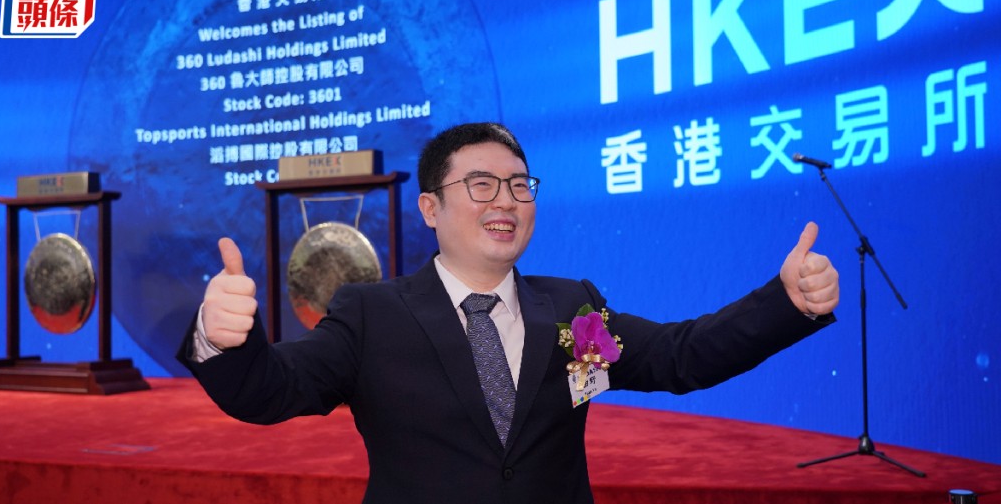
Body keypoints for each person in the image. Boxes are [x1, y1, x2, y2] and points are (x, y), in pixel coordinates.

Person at [178, 122, 839, 504]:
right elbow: (272, 391)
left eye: (521, 185)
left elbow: (679, 356)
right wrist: (220, 336)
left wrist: (786, 302)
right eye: (482, 184)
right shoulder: (372, 314)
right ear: (431, 207)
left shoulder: (571, 313)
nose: (507, 200)